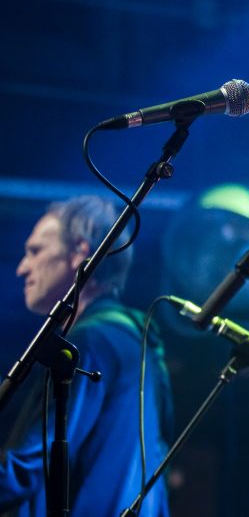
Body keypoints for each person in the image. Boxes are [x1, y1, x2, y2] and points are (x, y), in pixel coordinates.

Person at [0, 196, 172, 517]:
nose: (22, 268)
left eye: (36, 251)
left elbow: (31, 466)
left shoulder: (90, 340)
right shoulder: (138, 340)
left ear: (80, 251)